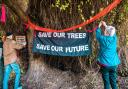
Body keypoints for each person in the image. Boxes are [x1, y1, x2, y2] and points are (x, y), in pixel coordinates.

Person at [96, 21, 120, 89]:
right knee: (113, 81)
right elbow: (112, 33)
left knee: (106, 83)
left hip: (105, 65)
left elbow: (97, 35)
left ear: (106, 32)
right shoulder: (114, 39)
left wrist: (99, 26)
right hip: (114, 64)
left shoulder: (102, 39)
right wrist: (106, 26)